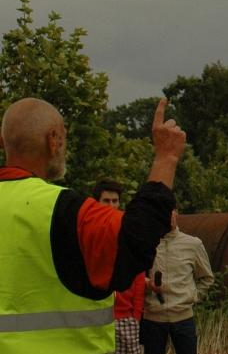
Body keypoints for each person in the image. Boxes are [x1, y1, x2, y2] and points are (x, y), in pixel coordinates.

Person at [0, 97, 184, 353]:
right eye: (63, 138)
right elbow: (135, 240)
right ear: (53, 141)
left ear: (3, 143)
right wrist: (166, 158)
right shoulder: (65, 210)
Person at [140, 207, 214, 354]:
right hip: (153, 318)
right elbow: (134, 277)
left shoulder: (193, 244)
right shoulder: (146, 244)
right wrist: (148, 284)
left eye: (171, 210)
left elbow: (206, 278)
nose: (168, 216)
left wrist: (192, 297)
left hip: (183, 319)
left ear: (176, 212)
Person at [93, 179, 147, 354]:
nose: (111, 205)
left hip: (126, 318)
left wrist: (136, 316)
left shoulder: (128, 230)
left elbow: (139, 276)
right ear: (96, 202)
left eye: (114, 201)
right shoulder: (89, 229)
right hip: (98, 317)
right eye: (106, 201)